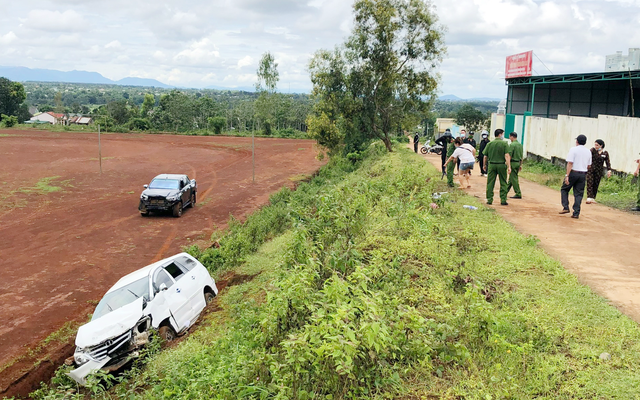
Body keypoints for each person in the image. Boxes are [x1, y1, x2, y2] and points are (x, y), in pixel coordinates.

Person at [560, 134, 592, 219]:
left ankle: (566, 206)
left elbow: (570, 163)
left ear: (577, 141)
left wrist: (567, 175)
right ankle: (576, 213)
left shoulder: (573, 150)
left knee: (564, 189)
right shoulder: (588, 151)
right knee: (578, 194)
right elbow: (589, 166)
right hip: (583, 174)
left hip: (573, 172)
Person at [483, 129, 511, 205]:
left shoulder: (490, 144)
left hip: (491, 165)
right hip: (501, 165)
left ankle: (489, 199)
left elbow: (485, 156)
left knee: (490, 182)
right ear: (500, 134)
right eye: (502, 134)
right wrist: (509, 166)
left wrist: (484, 165)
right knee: (503, 182)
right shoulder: (504, 143)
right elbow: (507, 155)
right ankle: (503, 200)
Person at [585, 139, 612, 204]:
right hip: (591, 169)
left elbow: (607, 162)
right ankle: (589, 197)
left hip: (599, 171)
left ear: (601, 145)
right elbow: (587, 158)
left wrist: (609, 170)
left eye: (597, 145)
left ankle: (593, 197)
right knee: (590, 182)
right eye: (595, 145)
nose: (595, 146)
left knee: (596, 183)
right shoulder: (592, 151)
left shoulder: (605, 153)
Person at [506, 132, 523, 199]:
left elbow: (509, 155)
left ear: (512, 137)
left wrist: (508, 165)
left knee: (514, 178)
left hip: (513, 162)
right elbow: (521, 156)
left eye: (510, 137)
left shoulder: (512, 145)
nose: (510, 138)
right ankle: (505, 191)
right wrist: (520, 165)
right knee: (511, 178)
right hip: (518, 163)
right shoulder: (520, 145)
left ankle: (518, 193)